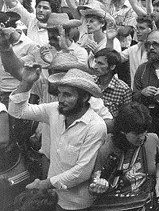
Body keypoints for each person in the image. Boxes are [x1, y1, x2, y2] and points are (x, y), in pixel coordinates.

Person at [8, 67, 107, 210]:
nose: (61, 99)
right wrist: (26, 83)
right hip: (53, 197)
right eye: (60, 93)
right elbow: (17, 111)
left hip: (77, 203)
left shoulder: (95, 126)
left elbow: (81, 172)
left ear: (84, 97)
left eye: (67, 95)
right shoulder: (54, 110)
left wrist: (43, 184)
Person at [88, 102, 159, 209]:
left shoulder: (152, 140)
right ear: (122, 131)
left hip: (144, 202)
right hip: (115, 205)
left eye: (144, 131)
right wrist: (98, 186)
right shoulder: (107, 148)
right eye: (136, 133)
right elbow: (94, 182)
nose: (142, 137)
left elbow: (156, 162)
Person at [91, 48, 131, 118]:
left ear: (112, 66)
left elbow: (126, 117)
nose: (95, 67)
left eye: (100, 64)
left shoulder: (123, 89)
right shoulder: (90, 82)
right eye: (96, 62)